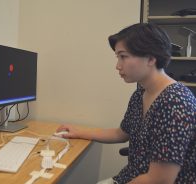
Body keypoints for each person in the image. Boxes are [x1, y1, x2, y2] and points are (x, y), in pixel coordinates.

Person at [56, 23, 196, 184]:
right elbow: (121, 134)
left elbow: (160, 180)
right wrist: (79, 132)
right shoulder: (141, 93)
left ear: (150, 58)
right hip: (131, 177)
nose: (117, 66)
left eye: (123, 56)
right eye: (118, 57)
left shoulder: (174, 102)